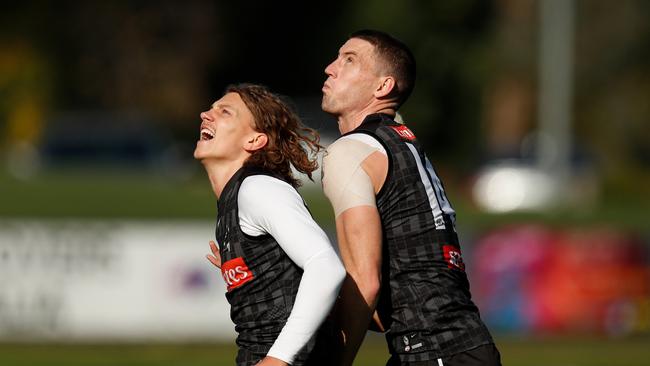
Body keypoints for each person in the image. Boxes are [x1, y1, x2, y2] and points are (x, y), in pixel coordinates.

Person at [321, 30, 502, 366]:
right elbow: (398, 296)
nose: (330, 68)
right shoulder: (404, 145)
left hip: (435, 353)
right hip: (459, 348)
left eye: (349, 60)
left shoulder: (350, 151)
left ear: (382, 87)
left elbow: (365, 281)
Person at [196, 83, 346, 366]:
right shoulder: (235, 198)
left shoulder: (258, 188)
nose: (205, 114)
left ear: (255, 141)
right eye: (211, 108)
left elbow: (326, 267)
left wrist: (278, 360)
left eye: (224, 111)